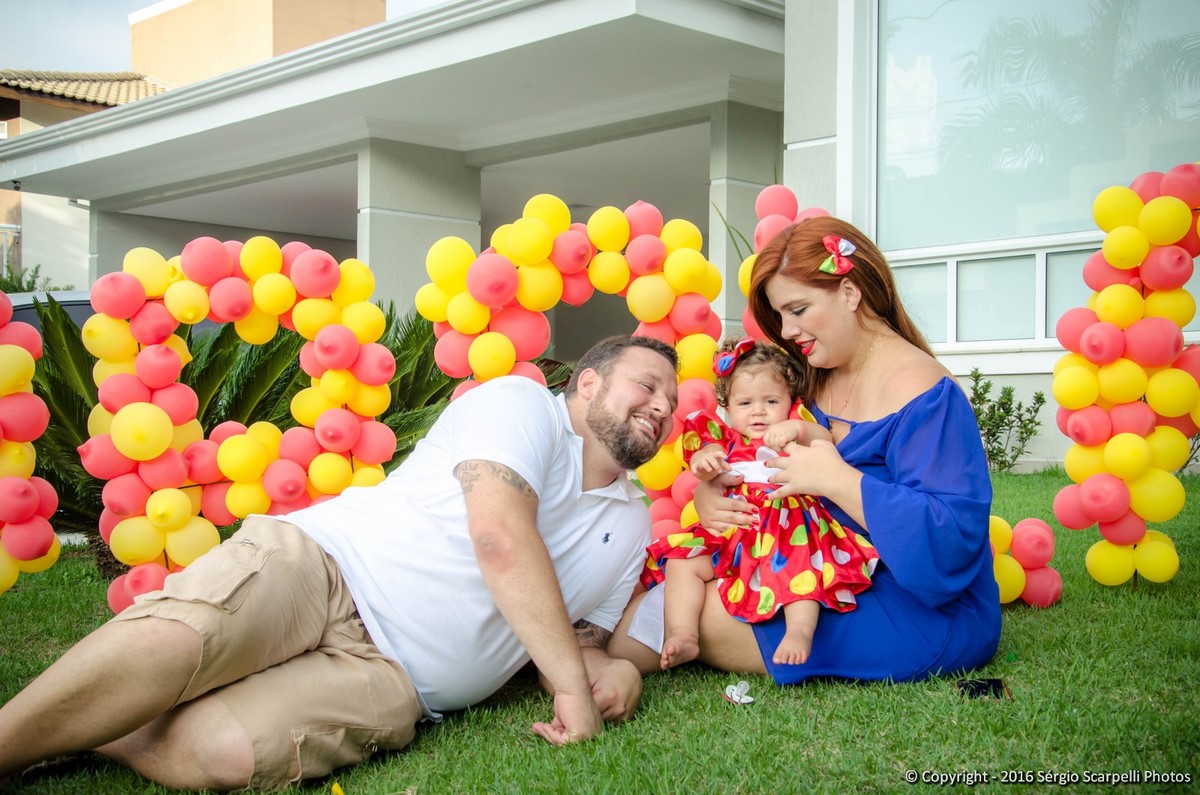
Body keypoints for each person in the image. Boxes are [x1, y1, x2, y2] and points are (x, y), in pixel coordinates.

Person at [0, 334, 679, 792]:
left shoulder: (630, 523)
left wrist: (613, 669)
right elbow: (499, 534)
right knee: (177, 639)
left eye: (672, 404)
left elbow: (574, 641)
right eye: (647, 385)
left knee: (227, 751)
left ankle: (94, 728)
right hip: (329, 567)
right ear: (588, 382)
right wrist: (572, 691)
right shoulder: (522, 404)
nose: (662, 407)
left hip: (396, 679)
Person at [611, 216, 1001, 688]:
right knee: (668, 587)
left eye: (798, 309)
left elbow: (951, 542)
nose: (787, 330)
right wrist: (711, 495)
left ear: (850, 292)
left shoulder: (925, 391)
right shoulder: (815, 374)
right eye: (780, 315)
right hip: (804, 561)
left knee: (675, 617)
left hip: (914, 602)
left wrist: (837, 479)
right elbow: (756, 458)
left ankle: (595, 665)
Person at [641, 338, 878, 670]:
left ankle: (799, 632)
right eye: (745, 403)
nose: (758, 411)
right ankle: (684, 633)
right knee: (684, 561)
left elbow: (825, 439)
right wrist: (706, 460)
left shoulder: (793, 431)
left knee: (800, 566)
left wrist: (798, 428)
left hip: (786, 525)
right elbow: (703, 457)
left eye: (771, 401)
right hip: (735, 528)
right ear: (727, 407)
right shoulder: (724, 440)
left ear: (790, 401)